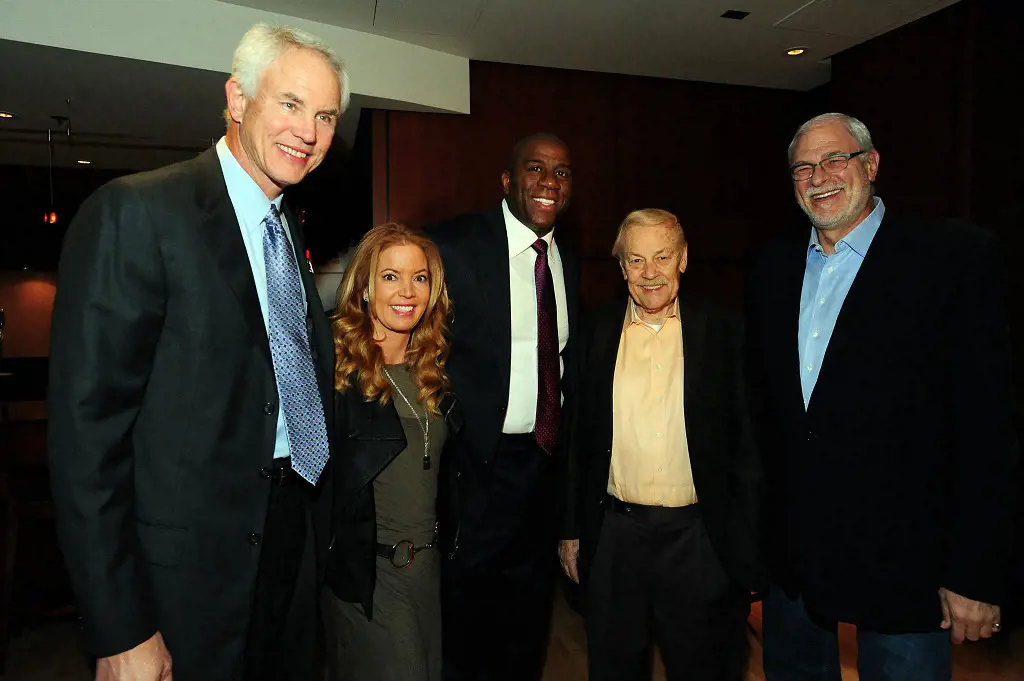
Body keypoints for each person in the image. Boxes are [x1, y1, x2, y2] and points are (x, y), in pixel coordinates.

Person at [47, 23, 347, 681]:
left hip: (288, 552)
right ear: (237, 99)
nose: (310, 130)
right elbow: (86, 441)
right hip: (181, 585)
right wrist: (120, 625)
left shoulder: (286, 232)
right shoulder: (138, 212)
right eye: (290, 104)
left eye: (325, 115)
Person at [745, 112, 1019, 681]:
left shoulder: (954, 258)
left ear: (870, 164)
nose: (818, 176)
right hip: (792, 565)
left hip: (906, 567)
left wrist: (976, 573)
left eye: (834, 159)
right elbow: (767, 417)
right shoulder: (772, 265)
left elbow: (988, 428)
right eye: (803, 167)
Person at [559, 209, 762, 681]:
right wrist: (571, 530)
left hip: (698, 538)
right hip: (614, 537)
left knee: (703, 666)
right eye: (636, 260)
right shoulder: (595, 332)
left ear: (684, 259)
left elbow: (749, 446)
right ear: (622, 267)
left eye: (662, 256)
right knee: (614, 666)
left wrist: (745, 541)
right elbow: (576, 441)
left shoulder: (723, 330)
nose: (650, 272)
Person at [425, 132, 579, 680]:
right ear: (508, 181)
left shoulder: (568, 261)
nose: (548, 183)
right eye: (535, 170)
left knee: (528, 622)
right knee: (464, 627)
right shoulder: (454, 245)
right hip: (473, 472)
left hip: (540, 469)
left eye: (560, 173)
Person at [321, 222, 461, 681]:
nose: (407, 291)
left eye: (419, 277)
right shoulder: (336, 371)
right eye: (390, 276)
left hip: (426, 573)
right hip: (369, 579)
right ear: (363, 287)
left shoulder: (432, 372)